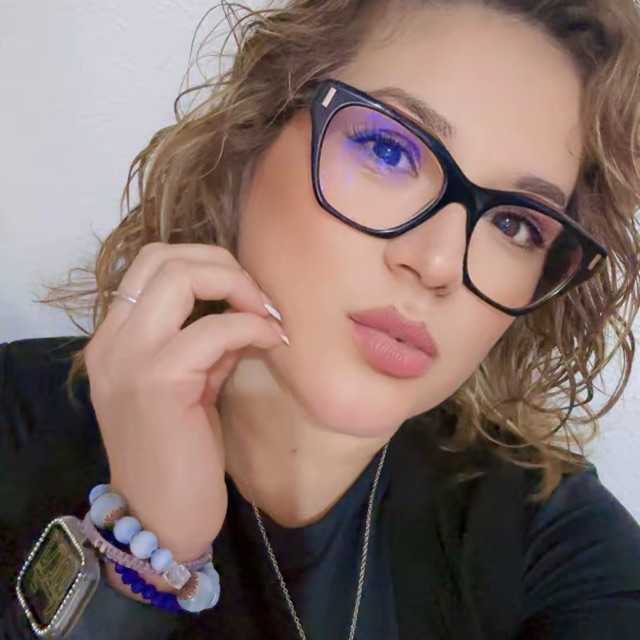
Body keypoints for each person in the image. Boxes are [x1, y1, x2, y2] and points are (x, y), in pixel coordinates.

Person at [2, 0, 640, 638]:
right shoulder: (16, 418)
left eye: (515, 223)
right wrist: (145, 550)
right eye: (388, 150)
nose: (439, 263)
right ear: (253, 135)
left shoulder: (561, 547)